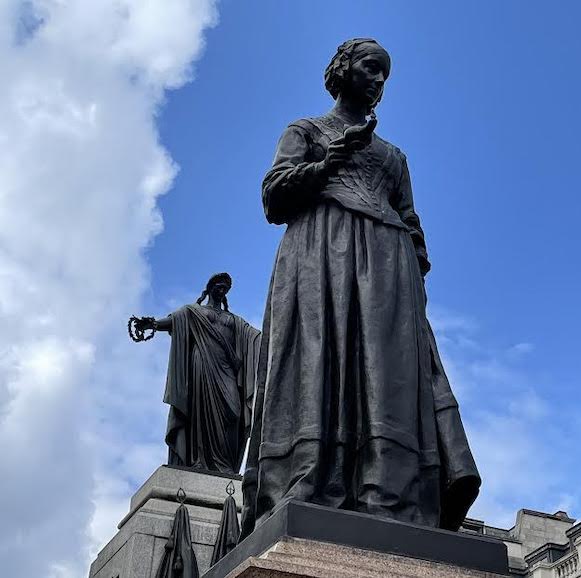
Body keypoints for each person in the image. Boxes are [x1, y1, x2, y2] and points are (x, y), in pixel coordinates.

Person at [241, 39, 480, 536]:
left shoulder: (394, 157)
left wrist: (412, 274)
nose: (378, 81)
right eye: (371, 68)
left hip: (389, 271)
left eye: (385, 75)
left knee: (386, 379)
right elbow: (274, 198)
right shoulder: (306, 130)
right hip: (320, 259)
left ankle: (386, 491)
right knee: (321, 363)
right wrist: (328, 161)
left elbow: (412, 224)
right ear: (342, 70)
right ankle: (314, 477)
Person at [133, 273, 260, 475]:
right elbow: (175, 321)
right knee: (200, 411)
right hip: (201, 364)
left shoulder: (235, 321)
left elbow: (256, 339)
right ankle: (198, 461)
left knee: (232, 413)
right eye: (219, 286)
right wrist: (153, 325)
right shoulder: (193, 311)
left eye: (225, 288)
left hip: (226, 369)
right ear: (210, 288)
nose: (222, 290)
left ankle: (224, 464)